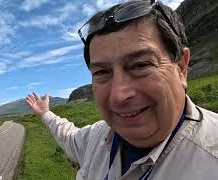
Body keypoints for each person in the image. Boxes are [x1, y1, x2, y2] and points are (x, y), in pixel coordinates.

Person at [26, 0, 218, 179]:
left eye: (140, 65)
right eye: (102, 72)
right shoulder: (97, 137)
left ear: (181, 68)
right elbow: (68, 137)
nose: (118, 95)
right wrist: (45, 113)